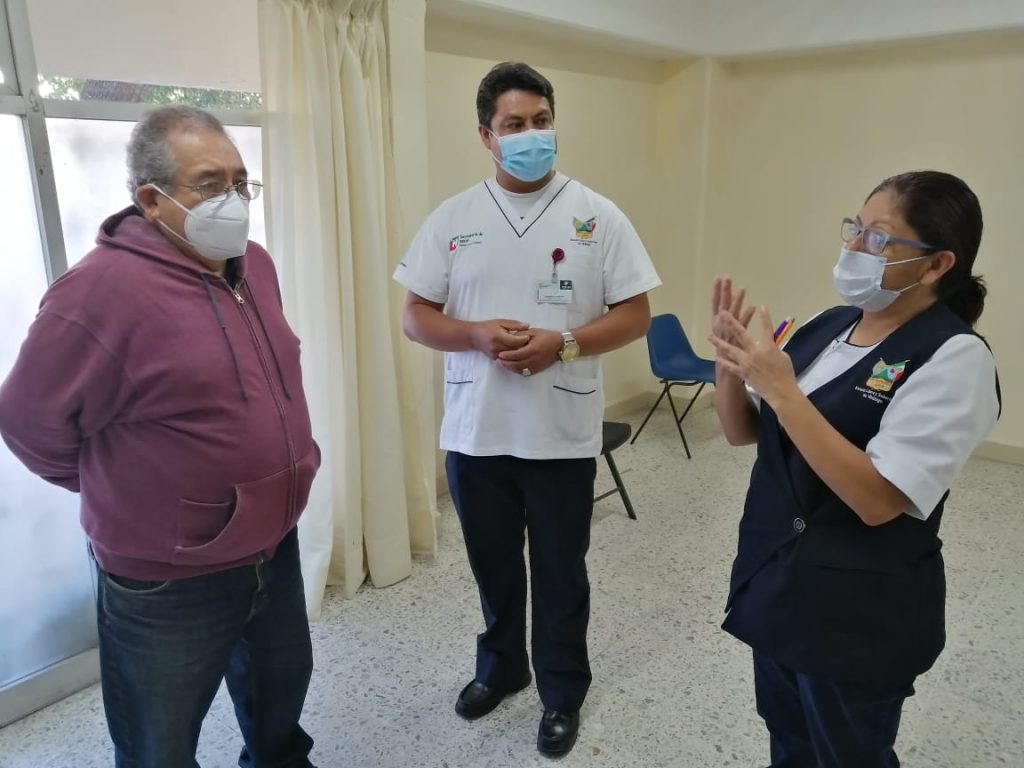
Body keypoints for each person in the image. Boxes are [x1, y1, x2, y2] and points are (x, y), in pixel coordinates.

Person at [0, 106, 320, 768]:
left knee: (279, 699)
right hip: (169, 576)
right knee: (159, 741)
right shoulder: (95, 294)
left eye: (241, 181)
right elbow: (28, 423)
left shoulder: (252, 263)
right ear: (151, 199)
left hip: (273, 540)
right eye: (210, 181)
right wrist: (127, 492)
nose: (232, 199)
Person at [394, 62, 661, 757]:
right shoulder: (454, 218)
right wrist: (477, 335)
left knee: (562, 572)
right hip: (476, 435)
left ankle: (562, 691)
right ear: (486, 135)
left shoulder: (597, 216)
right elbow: (416, 317)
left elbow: (636, 313)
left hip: (561, 435)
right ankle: (502, 669)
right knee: (494, 568)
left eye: (541, 121)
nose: (531, 135)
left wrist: (565, 344)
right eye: (514, 125)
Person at [708, 170, 1000, 768]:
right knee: (788, 741)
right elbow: (744, 434)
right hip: (780, 588)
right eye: (855, 230)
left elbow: (878, 499)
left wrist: (784, 391)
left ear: (937, 264)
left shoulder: (954, 357)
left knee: (848, 752)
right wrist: (731, 366)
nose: (855, 248)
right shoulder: (828, 324)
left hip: (856, 613)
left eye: (878, 238)